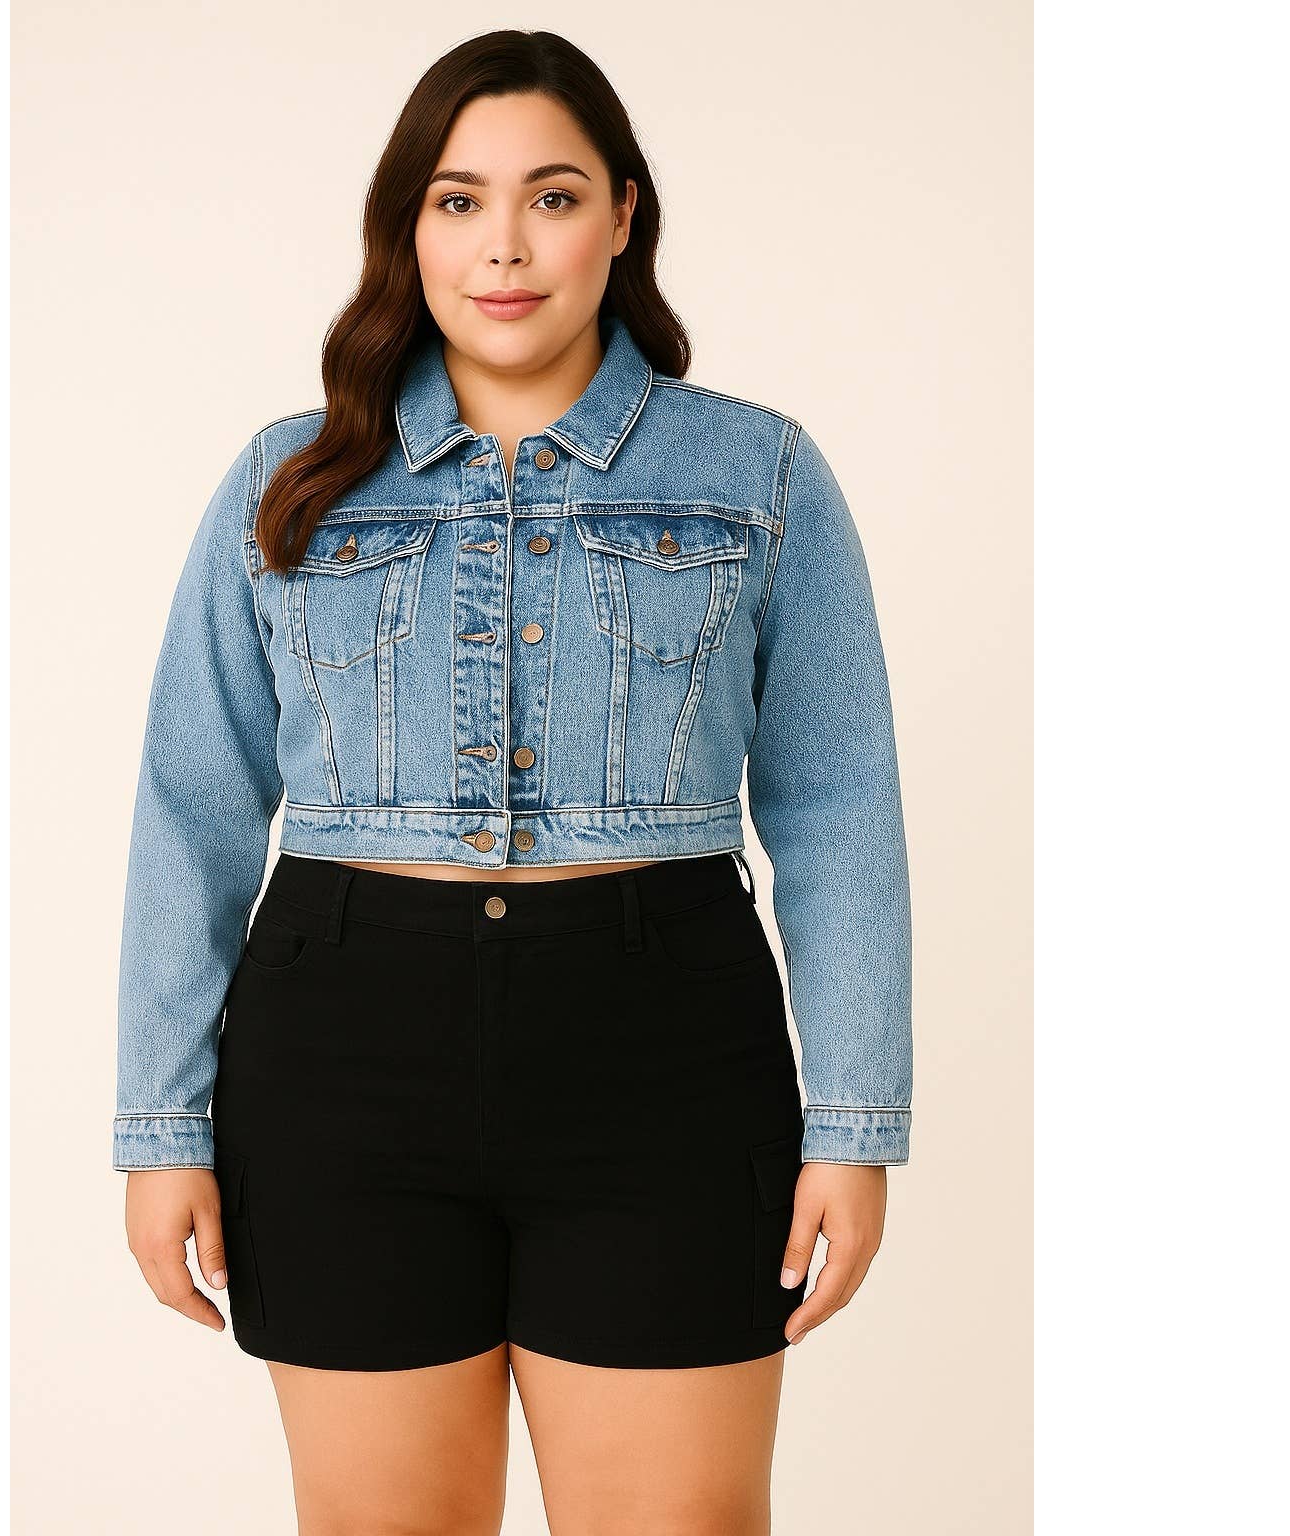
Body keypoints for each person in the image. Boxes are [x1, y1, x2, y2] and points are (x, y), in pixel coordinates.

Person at [114, 27, 911, 1534]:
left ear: (622, 215)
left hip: (668, 1065)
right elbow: (193, 803)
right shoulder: (292, 478)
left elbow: (837, 804)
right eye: (458, 200)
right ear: (407, 229)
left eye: (552, 197)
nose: (505, 246)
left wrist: (856, 1121)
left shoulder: (756, 474)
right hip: (341, 1069)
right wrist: (160, 1131)